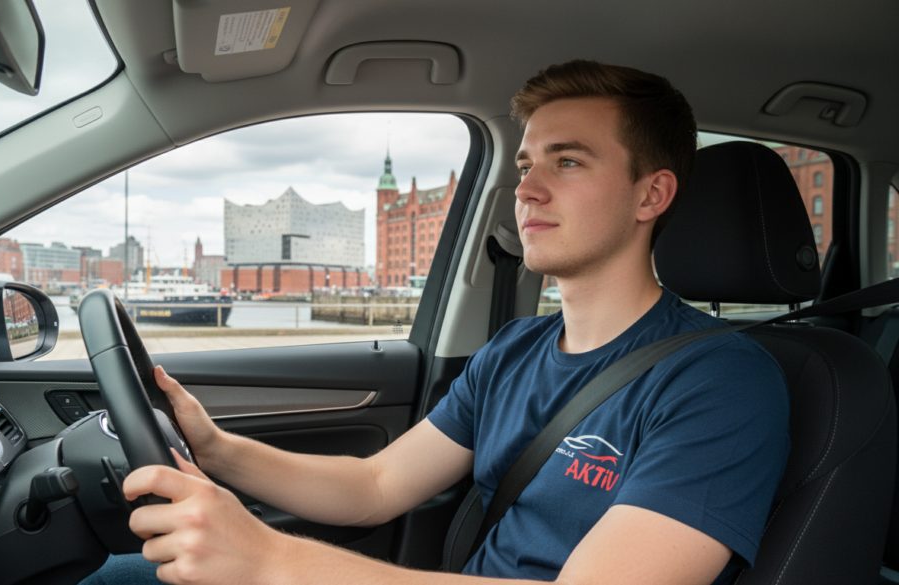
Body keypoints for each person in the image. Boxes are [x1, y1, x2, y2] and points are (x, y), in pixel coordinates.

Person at [95, 60, 791, 585]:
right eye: (525, 165)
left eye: (568, 161)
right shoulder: (516, 349)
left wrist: (269, 556)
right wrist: (217, 449)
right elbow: (375, 487)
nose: (526, 189)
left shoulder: (721, 381)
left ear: (651, 193)